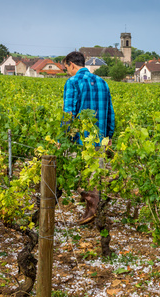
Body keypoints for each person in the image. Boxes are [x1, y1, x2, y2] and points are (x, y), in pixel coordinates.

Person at [62, 51, 115, 225]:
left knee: (77, 175)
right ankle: (91, 211)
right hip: (99, 139)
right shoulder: (102, 82)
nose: (67, 72)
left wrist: (64, 137)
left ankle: (92, 210)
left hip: (79, 139)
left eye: (66, 68)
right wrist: (109, 136)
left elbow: (69, 113)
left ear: (72, 64)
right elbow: (110, 113)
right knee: (95, 175)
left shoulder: (73, 82)